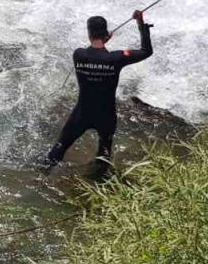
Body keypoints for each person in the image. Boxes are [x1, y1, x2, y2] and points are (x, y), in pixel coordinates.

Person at [43, 10, 154, 169]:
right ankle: (100, 182)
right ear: (105, 34)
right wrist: (140, 23)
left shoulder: (79, 55)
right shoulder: (117, 58)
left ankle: (41, 176)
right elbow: (146, 51)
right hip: (106, 117)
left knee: (59, 148)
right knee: (104, 154)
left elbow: (93, 51)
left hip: (81, 114)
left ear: (89, 33)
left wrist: (102, 41)